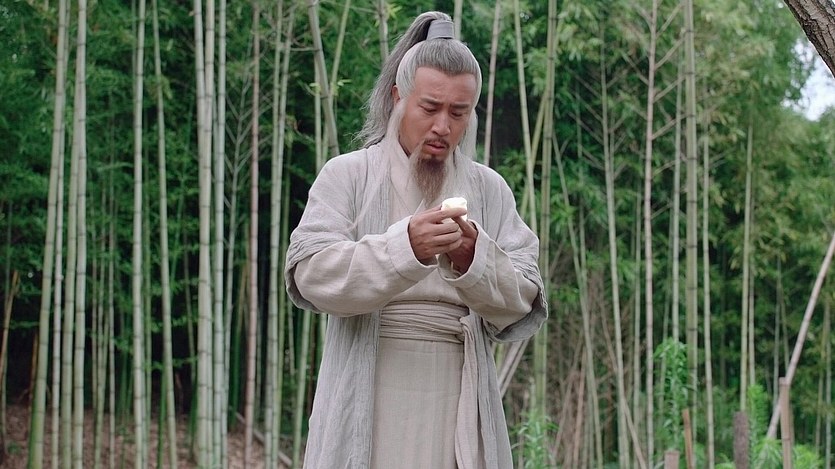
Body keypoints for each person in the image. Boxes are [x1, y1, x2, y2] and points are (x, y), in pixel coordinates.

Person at [285, 11, 548, 469]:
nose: (442, 126)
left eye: (458, 113)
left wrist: (474, 259)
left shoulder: (489, 189)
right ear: (398, 98)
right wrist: (404, 248)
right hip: (368, 378)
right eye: (430, 108)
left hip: (457, 384)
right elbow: (312, 275)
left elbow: (523, 302)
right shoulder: (348, 175)